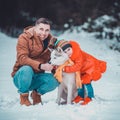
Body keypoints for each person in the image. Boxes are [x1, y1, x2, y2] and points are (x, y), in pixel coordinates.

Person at [11, 18, 59, 106]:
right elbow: (22, 58)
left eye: (47, 30)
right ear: (35, 28)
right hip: (21, 77)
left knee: (55, 80)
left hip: (37, 77)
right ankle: (24, 96)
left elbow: (55, 58)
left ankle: (36, 94)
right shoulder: (24, 37)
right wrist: (40, 66)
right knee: (27, 69)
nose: (44, 33)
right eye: (41, 29)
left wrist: (57, 70)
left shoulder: (52, 41)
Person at [54, 39, 107, 105]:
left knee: (87, 82)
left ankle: (90, 97)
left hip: (91, 67)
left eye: (69, 49)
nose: (68, 52)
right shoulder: (70, 56)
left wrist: (65, 69)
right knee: (79, 82)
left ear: (71, 47)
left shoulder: (77, 54)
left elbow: (77, 66)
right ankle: (80, 96)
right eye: (65, 51)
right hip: (83, 70)